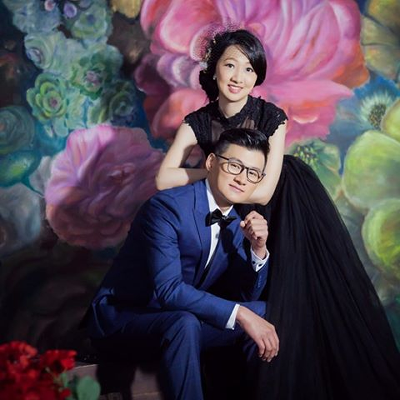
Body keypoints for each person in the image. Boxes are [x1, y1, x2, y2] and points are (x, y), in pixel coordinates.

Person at [155, 29, 400, 399]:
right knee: (239, 304)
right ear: (214, 69)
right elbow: (163, 179)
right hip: (233, 210)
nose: (238, 77)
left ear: (257, 77)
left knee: (293, 300)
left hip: (285, 206)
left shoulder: (271, 117)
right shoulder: (198, 122)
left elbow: (264, 191)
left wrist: (226, 173)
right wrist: (215, 171)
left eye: (249, 69)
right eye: (230, 65)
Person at [85, 128, 279, 400]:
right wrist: (242, 314)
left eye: (252, 173)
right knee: (185, 322)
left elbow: (245, 297)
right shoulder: (166, 208)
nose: (242, 178)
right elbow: (169, 291)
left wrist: (258, 249)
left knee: (265, 311)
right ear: (211, 162)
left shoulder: (237, 223)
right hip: (125, 320)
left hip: (180, 321)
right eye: (235, 165)